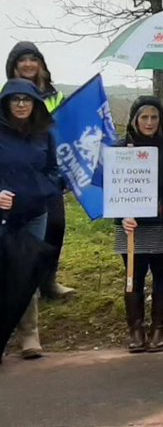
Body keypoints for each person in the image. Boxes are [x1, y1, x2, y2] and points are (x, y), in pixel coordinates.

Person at [114, 96, 163, 352]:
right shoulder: (122, 148)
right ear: (135, 119)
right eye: (144, 117)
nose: (149, 122)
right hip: (132, 224)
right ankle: (135, 329)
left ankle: (159, 328)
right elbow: (113, 188)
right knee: (133, 276)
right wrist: (121, 215)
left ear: (160, 120)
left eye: (154, 117)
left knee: (162, 274)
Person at [6, 42, 73, 300]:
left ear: (41, 64)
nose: (28, 64)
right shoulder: (6, 94)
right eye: (22, 60)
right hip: (17, 172)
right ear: (13, 65)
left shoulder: (55, 96)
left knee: (56, 224)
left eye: (33, 59)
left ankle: (48, 280)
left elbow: (67, 130)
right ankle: (21, 285)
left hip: (49, 169)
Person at [0, 79, 60, 360]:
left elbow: (52, 170)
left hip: (36, 213)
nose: (21, 104)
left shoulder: (44, 133)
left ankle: (29, 334)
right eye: (15, 99)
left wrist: (46, 188)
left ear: (35, 103)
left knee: (27, 275)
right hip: (3, 216)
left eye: (27, 99)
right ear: (6, 103)